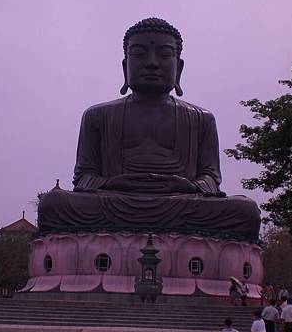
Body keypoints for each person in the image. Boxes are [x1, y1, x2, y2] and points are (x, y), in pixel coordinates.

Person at [37, 17, 261, 239]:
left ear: (179, 68)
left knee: (245, 211)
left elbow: (211, 177)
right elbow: (84, 176)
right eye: (139, 54)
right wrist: (111, 183)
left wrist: (190, 187)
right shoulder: (97, 115)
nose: (152, 63)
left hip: (180, 204)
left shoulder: (201, 119)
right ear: (125, 66)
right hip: (115, 202)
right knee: (53, 204)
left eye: (164, 55)